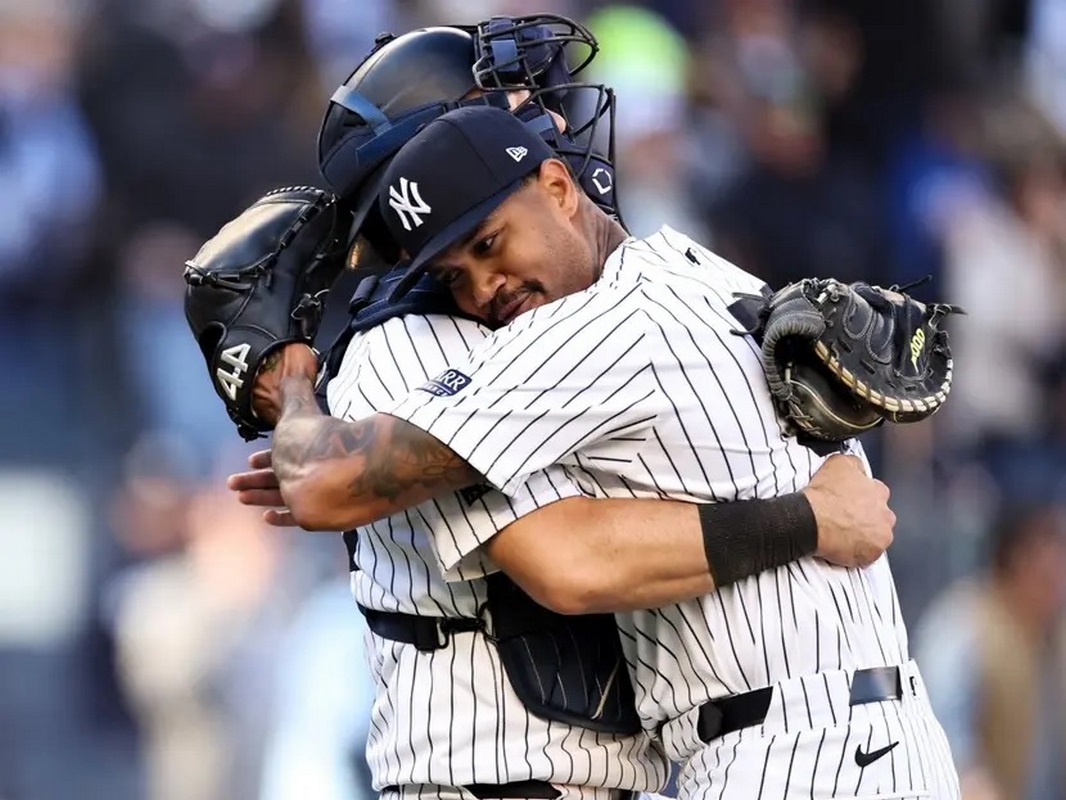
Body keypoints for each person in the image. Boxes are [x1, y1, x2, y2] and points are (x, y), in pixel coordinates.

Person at [227, 18, 895, 800]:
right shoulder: (412, 343)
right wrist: (294, 387)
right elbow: (563, 561)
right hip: (494, 777)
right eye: (498, 102)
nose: (539, 110)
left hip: (733, 754)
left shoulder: (619, 289)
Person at [913, 502, 1066, 800]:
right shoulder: (961, 626)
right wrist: (969, 779)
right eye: (1046, 558)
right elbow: (938, 735)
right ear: (1014, 560)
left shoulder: (1054, 627)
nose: (1058, 571)